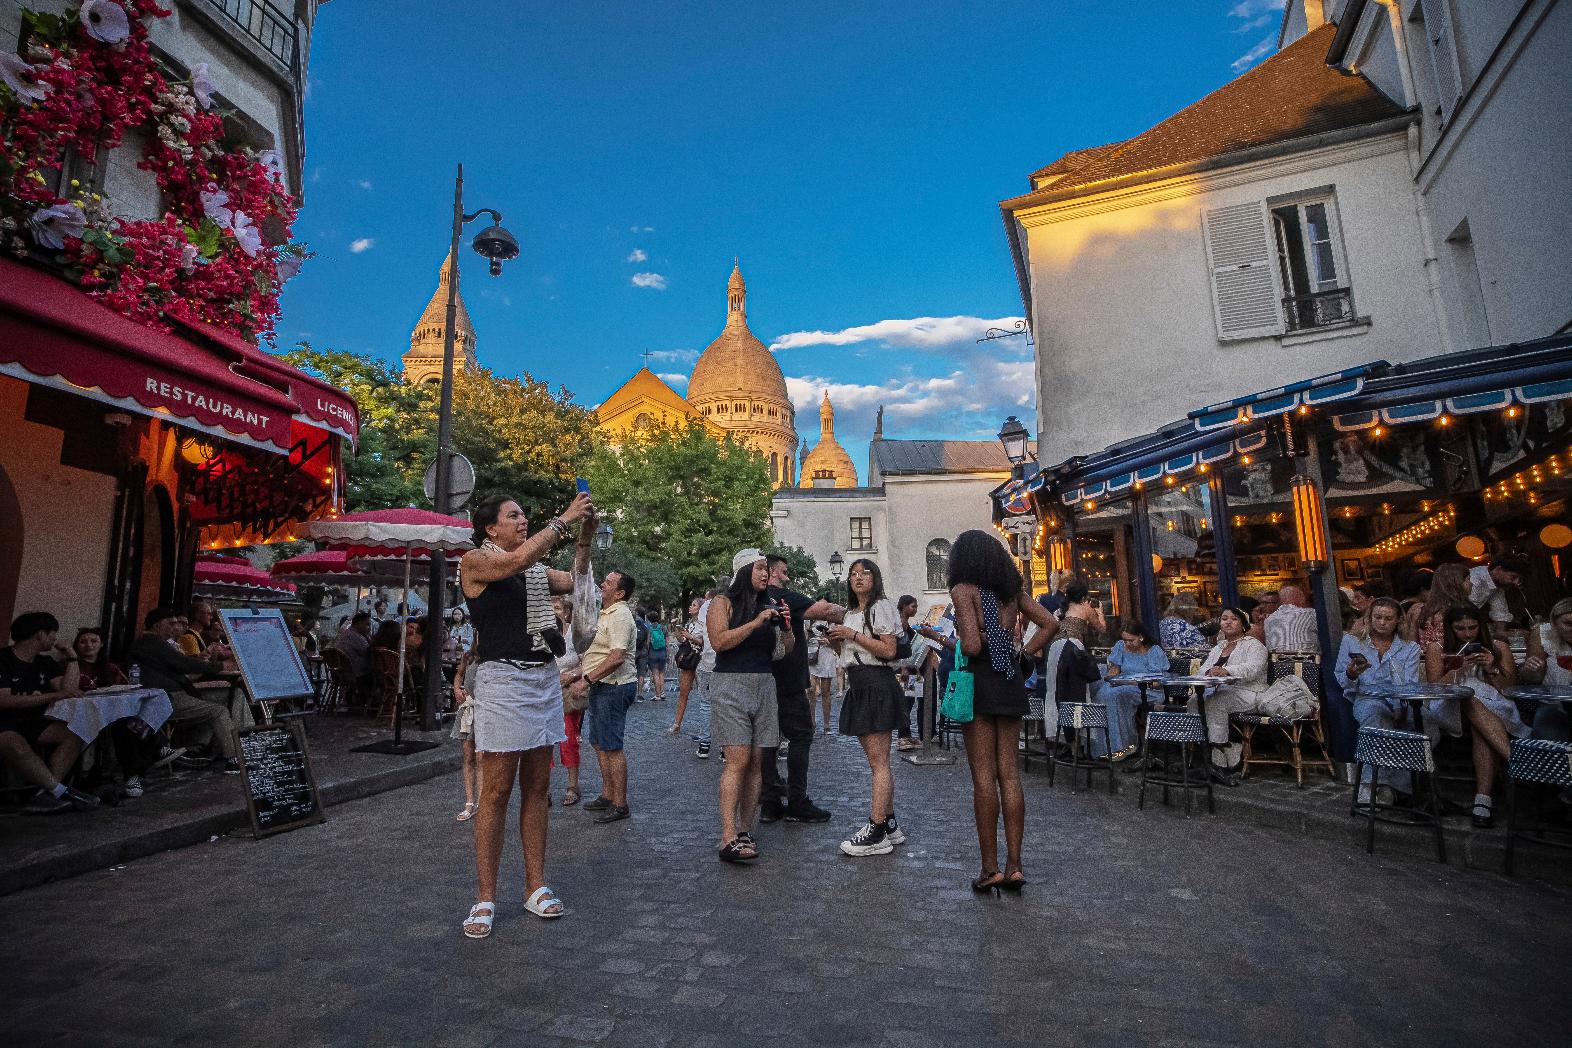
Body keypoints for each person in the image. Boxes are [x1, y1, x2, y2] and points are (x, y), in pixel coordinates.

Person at [458, 490, 593, 939]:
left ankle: (535, 885)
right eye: (513, 515)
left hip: (541, 679)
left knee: (537, 787)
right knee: (496, 790)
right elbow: (514, 561)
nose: (522, 521)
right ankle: (485, 896)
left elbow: (576, 581)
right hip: (502, 680)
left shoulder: (533, 570)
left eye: (523, 514)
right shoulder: (475, 563)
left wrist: (584, 539)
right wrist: (564, 519)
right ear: (490, 528)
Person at [948, 531, 1057, 890]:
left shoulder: (964, 591)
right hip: (1009, 679)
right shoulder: (1012, 593)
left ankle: (989, 868)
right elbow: (1051, 624)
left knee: (983, 777)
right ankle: (1015, 866)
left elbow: (971, 645)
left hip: (978, 683)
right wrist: (1022, 652)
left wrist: (968, 635)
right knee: (1010, 775)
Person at [707, 550, 793, 860]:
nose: (765, 574)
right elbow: (719, 642)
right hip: (731, 684)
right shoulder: (722, 602)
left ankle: (745, 829)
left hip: (764, 684)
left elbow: (784, 651)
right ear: (744, 570)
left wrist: (786, 627)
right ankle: (727, 836)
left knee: (758, 761)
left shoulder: (769, 604)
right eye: (759, 568)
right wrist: (756, 623)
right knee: (738, 760)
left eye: (766, 569)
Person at [827, 557, 909, 858]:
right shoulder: (851, 613)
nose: (858, 578)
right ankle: (889, 823)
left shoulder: (881, 607)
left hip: (876, 683)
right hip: (861, 683)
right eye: (853, 574)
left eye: (864, 573)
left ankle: (876, 830)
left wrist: (852, 635)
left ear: (875, 579)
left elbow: (888, 650)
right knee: (879, 761)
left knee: (879, 763)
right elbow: (850, 653)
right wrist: (835, 641)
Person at [759, 552, 841, 824]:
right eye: (784, 571)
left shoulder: (756, 599)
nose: (787, 576)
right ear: (772, 571)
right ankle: (797, 801)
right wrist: (858, 614)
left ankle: (769, 802)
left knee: (768, 741)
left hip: (763, 678)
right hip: (789, 679)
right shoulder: (784, 598)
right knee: (801, 735)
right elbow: (826, 612)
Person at [1425, 606, 1522, 828]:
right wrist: (1457, 670)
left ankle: (1482, 801)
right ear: (1450, 628)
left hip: (1493, 705)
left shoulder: (1499, 647)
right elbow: (1434, 689)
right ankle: (1517, 762)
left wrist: (1491, 667)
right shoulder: (1437, 648)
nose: (1467, 634)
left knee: (1480, 727)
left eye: (1472, 627)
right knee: (1468, 696)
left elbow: (1509, 689)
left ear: (1481, 626)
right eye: (1460, 628)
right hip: (1451, 705)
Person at [1, 612, 103, 813]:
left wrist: (72, 657)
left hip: (32, 720)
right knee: (14, 742)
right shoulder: (3, 659)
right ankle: (60, 791)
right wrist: (51, 696)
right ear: (40, 634)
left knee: (74, 733)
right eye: (53, 633)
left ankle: (44, 795)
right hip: (3, 720)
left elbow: (68, 690)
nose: (55, 638)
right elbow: (3, 700)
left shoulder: (44, 663)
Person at [129, 607, 242, 772]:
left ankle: (201, 747)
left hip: (176, 693)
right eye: (170, 624)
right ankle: (233, 758)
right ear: (156, 625)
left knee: (234, 695)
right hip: (167, 697)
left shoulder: (153, 643)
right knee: (218, 711)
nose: (175, 628)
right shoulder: (151, 641)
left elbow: (180, 663)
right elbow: (182, 664)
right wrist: (220, 666)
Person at [1337, 597, 1425, 806]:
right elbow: (1341, 679)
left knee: (1425, 725)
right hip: (1367, 697)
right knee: (1375, 719)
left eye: (1388, 618)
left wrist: (1399, 707)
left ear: (1398, 621)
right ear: (1369, 618)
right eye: (1378, 617)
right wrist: (1352, 674)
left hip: (1401, 700)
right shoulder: (1351, 642)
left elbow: (1409, 683)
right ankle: (1368, 785)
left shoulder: (1410, 647)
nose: (1382, 622)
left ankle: (1395, 786)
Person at [581, 569, 639, 825]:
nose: (602, 584)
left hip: (613, 686)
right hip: (602, 686)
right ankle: (608, 794)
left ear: (620, 593)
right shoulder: (606, 613)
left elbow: (616, 657)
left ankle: (620, 804)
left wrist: (586, 680)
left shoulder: (620, 615)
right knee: (599, 742)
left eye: (608, 582)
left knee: (612, 746)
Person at [1091, 622, 1168, 761]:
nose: (1127, 643)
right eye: (1125, 640)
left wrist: (1130, 682)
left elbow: (1157, 682)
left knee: (1115, 695)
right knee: (1102, 693)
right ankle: (1105, 747)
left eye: (1131, 640)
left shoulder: (1154, 651)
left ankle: (1124, 746)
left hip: (1147, 689)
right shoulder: (1120, 646)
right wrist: (1112, 679)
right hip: (1123, 684)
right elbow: (1114, 671)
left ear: (1141, 637)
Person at [553, 596, 588, 807]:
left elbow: (588, 662)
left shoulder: (575, 635)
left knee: (568, 740)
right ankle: (542, 788)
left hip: (567, 693)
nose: (553, 611)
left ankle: (573, 786)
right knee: (543, 742)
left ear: (566, 612)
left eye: (557, 608)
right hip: (544, 692)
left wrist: (571, 675)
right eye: (550, 608)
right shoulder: (541, 635)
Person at [1522, 598, 1572, 740]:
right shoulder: (1543, 634)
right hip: (1553, 702)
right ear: (1554, 624)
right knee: (1549, 741)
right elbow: (1532, 679)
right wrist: (1532, 669)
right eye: (1568, 623)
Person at [667, 597, 705, 735]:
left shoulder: (704, 624)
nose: (690, 607)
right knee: (683, 693)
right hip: (689, 660)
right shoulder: (690, 623)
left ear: (700, 609)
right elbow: (682, 640)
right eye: (691, 604)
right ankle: (677, 723)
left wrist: (691, 637)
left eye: (694, 605)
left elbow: (705, 642)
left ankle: (706, 727)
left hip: (701, 660)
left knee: (705, 695)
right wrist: (677, 629)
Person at [1416, 563, 1470, 649]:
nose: (1471, 584)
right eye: (1468, 580)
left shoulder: (1427, 610)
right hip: (1453, 656)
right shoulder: (1457, 610)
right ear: (1457, 583)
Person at [893, 595, 922, 751]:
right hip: (904, 669)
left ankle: (906, 734)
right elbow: (901, 646)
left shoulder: (905, 622)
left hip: (910, 668)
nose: (915, 609)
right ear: (903, 606)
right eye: (913, 606)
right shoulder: (900, 623)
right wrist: (903, 666)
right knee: (905, 702)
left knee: (909, 701)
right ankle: (902, 737)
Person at [1468, 554, 1528, 628]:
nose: (1516, 583)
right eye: (1513, 577)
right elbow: (1464, 613)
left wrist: (1501, 631)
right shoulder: (1475, 580)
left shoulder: (1496, 585)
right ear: (1498, 570)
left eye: (1519, 580)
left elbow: (1500, 612)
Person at [1264, 585, 1318, 654]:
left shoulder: (1268, 620)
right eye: (1303, 597)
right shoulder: (1311, 613)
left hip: (1279, 660)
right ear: (1300, 599)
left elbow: (1269, 648)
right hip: (1309, 659)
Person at [809, 618, 838, 735]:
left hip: (826, 657)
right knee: (811, 689)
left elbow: (840, 643)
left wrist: (829, 642)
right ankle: (812, 722)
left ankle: (827, 724)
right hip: (812, 655)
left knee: (825, 691)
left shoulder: (832, 622)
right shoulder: (811, 620)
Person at [334, 612, 374, 694]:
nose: (369, 627)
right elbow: (369, 652)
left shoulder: (347, 633)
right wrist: (368, 636)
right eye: (367, 624)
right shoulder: (355, 636)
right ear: (359, 623)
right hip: (356, 674)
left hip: (342, 672)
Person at [646, 614, 667, 701]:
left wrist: (647, 651)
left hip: (653, 653)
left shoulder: (649, 628)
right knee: (661, 673)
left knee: (655, 674)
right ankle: (662, 693)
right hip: (662, 653)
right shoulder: (663, 627)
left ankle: (657, 695)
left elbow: (648, 642)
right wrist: (667, 653)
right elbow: (667, 641)